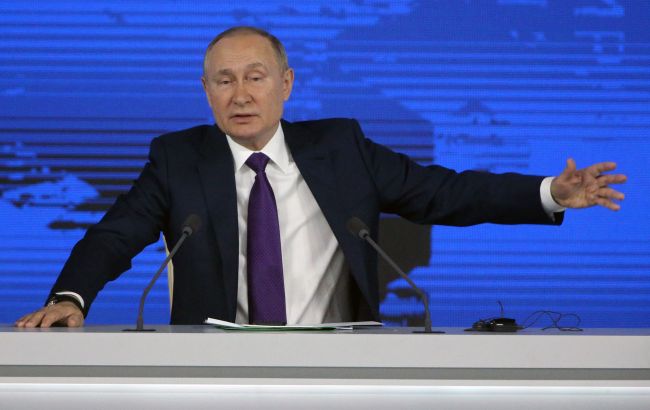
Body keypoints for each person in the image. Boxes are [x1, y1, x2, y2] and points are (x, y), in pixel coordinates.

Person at [15, 26, 626, 328]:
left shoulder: (341, 147)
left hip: (341, 365)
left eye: (255, 77)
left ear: (286, 84)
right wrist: (70, 298)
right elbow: (116, 234)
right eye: (224, 81)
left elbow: (444, 193)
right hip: (212, 370)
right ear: (206, 91)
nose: (240, 94)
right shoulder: (179, 158)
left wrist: (549, 192)